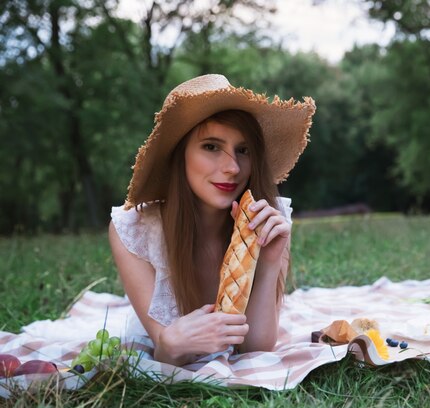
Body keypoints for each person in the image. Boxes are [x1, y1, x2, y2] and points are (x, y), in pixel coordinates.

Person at [108, 74, 316, 366]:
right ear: (180, 155)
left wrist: (269, 262)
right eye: (211, 147)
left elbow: (256, 347)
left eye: (243, 151)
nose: (232, 167)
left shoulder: (268, 219)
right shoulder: (135, 230)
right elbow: (166, 351)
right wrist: (168, 343)